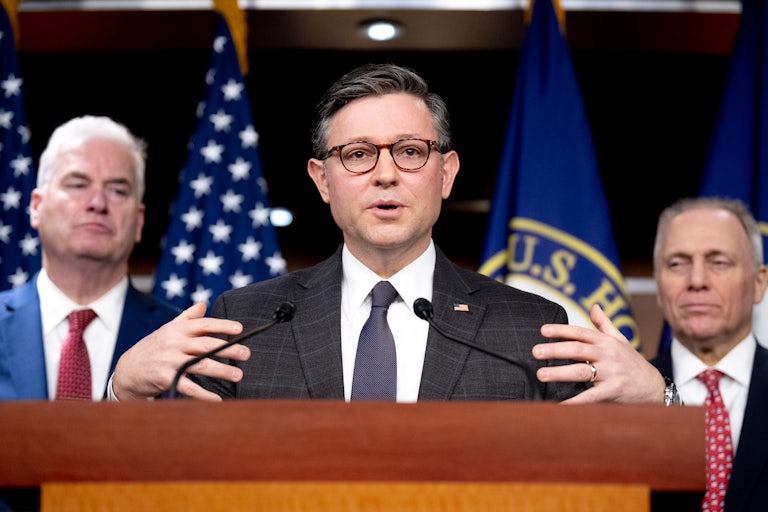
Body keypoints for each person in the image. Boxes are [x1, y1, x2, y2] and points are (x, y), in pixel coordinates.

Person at [110, 63, 668, 404]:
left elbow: (600, 472)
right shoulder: (245, 321)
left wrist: (661, 399)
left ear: (445, 173)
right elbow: (178, 471)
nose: (384, 172)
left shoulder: (532, 327)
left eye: (409, 151)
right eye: (356, 154)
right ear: (321, 179)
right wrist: (121, 392)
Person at [0, 115, 180, 401]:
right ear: (36, 207)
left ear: (139, 221)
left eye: (118, 190)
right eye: (78, 184)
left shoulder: (182, 341)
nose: (98, 203)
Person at [650, 197, 768, 512]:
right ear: (659, 286)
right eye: (677, 264)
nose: (697, 281)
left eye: (719, 262)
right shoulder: (620, 401)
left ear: (759, 283)